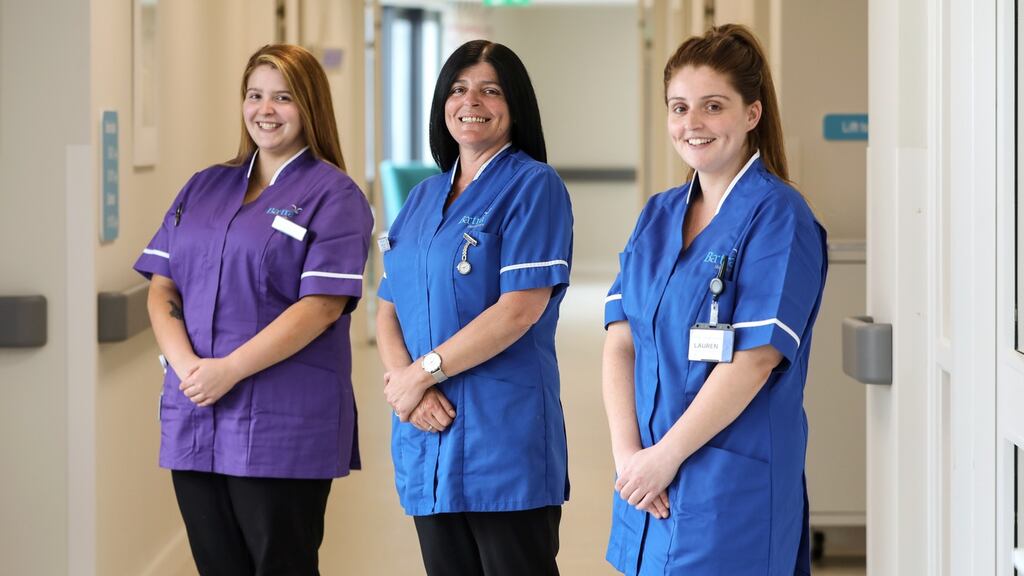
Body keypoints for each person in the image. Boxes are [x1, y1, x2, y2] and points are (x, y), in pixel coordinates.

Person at [133, 44, 372, 575]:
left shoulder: (335, 195)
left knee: (279, 564)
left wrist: (229, 371)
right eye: (255, 95)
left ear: (309, 105)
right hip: (196, 413)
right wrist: (188, 368)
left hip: (283, 421)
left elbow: (322, 306)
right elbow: (162, 286)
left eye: (283, 97)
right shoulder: (205, 185)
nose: (266, 109)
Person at [602, 24, 827, 575]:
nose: (692, 124)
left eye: (712, 106)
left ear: (752, 114)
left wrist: (665, 457)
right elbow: (620, 339)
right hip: (649, 484)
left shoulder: (779, 217)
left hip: (728, 488)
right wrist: (631, 458)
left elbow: (754, 359)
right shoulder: (658, 214)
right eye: (679, 107)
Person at [376, 39, 573, 576]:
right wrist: (405, 387)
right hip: (427, 433)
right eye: (459, 89)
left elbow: (519, 310)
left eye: (490, 90)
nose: (472, 101)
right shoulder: (422, 197)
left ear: (515, 106)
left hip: (501, 437)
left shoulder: (535, 186)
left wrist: (424, 371)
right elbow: (389, 305)